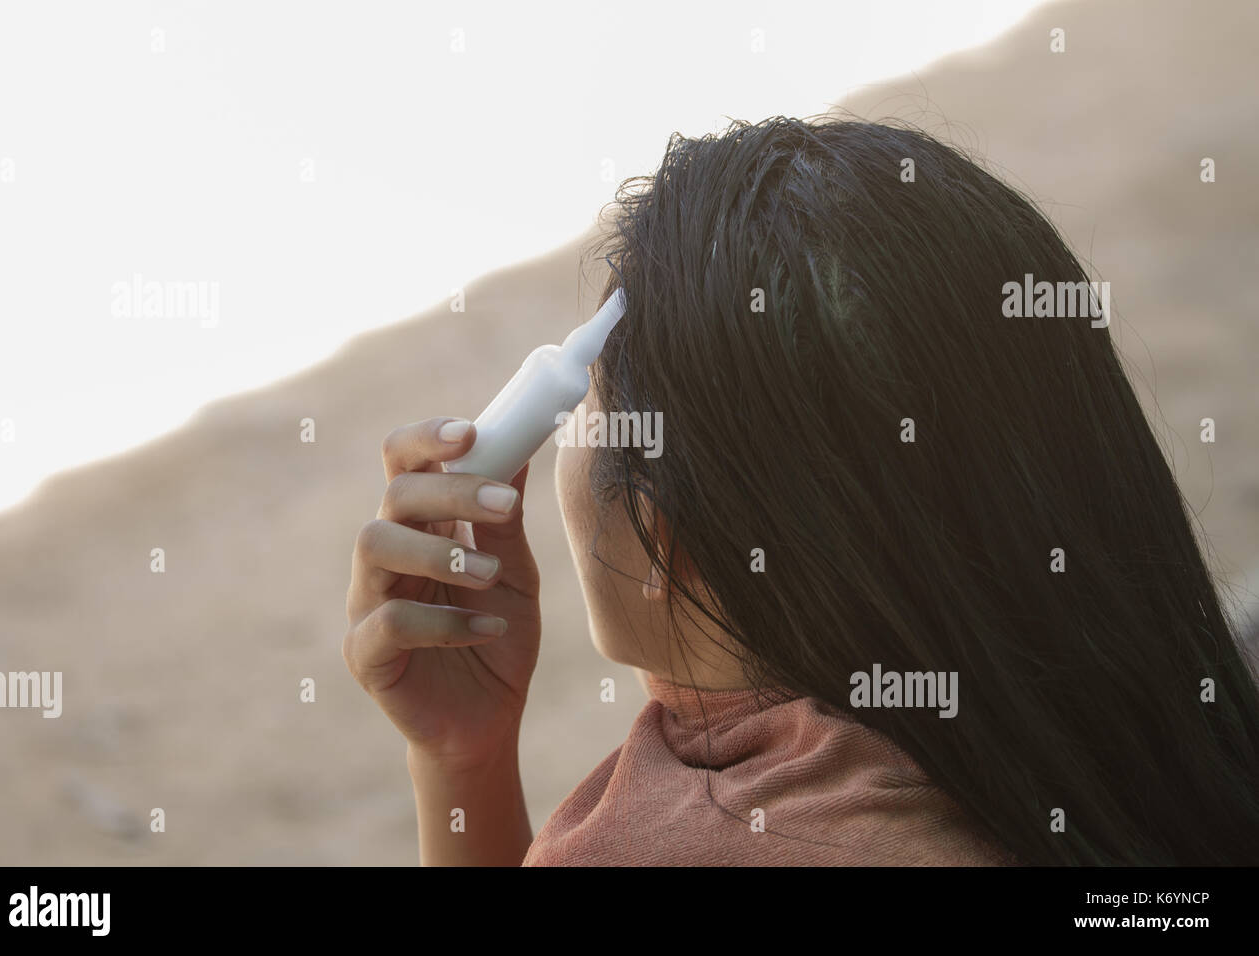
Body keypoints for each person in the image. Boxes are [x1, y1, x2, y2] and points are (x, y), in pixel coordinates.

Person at [342, 116, 1259, 866]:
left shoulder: (674, 847)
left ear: (681, 541)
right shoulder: (1128, 721)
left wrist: (457, 763)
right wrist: (464, 755)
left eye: (589, 412)